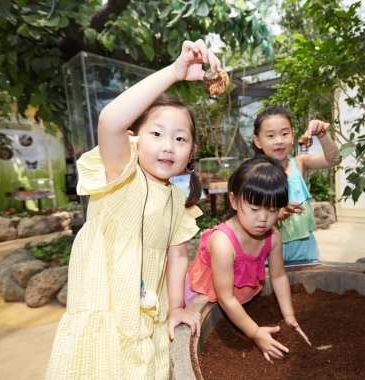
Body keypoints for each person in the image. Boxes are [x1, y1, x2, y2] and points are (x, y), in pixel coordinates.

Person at [46, 39, 223, 379]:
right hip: (105, 315)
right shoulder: (120, 174)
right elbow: (109, 120)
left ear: (192, 150)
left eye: (180, 139)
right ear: (134, 137)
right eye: (156, 133)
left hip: (146, 320)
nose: (168, 145)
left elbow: (178, 256)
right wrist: (174, 72)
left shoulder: (176, 201)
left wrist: (175, 307)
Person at [185, 155, 310, 363]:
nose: (263, 219)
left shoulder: (273, 237)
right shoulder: (223, 242)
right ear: (234, 201)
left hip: (236, 299)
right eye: (254, 209)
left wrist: (289, 317)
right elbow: (225, 298)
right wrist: (255, 332)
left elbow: (278, 276)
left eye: (272, 210)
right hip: (204, 297)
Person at [252, 106, 339, 263]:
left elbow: (334, 160)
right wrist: (277, 214)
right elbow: (250, 215)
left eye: (285, 134)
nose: (279, 140)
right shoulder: (255, 173)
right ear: (258, 141)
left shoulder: (299, 163)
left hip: (305, 249)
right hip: (271, 252)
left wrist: (322, 135)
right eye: (270, 136)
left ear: (293, 136)